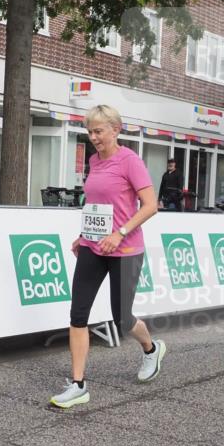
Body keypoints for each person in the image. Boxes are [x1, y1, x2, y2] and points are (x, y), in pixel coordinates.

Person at [50, 105, 165, 409]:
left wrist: (120, 233)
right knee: (78, 313)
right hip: (93, 248)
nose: (93, 137)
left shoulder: (131, 161)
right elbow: (97, 203)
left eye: (98, 131)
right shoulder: (93, 160)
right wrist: (85, 235)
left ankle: (152, 349)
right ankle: (78, 384)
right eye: (90, 132)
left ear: (116, 129)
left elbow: (151, 205)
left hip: (125, 249)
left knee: (122, 318)